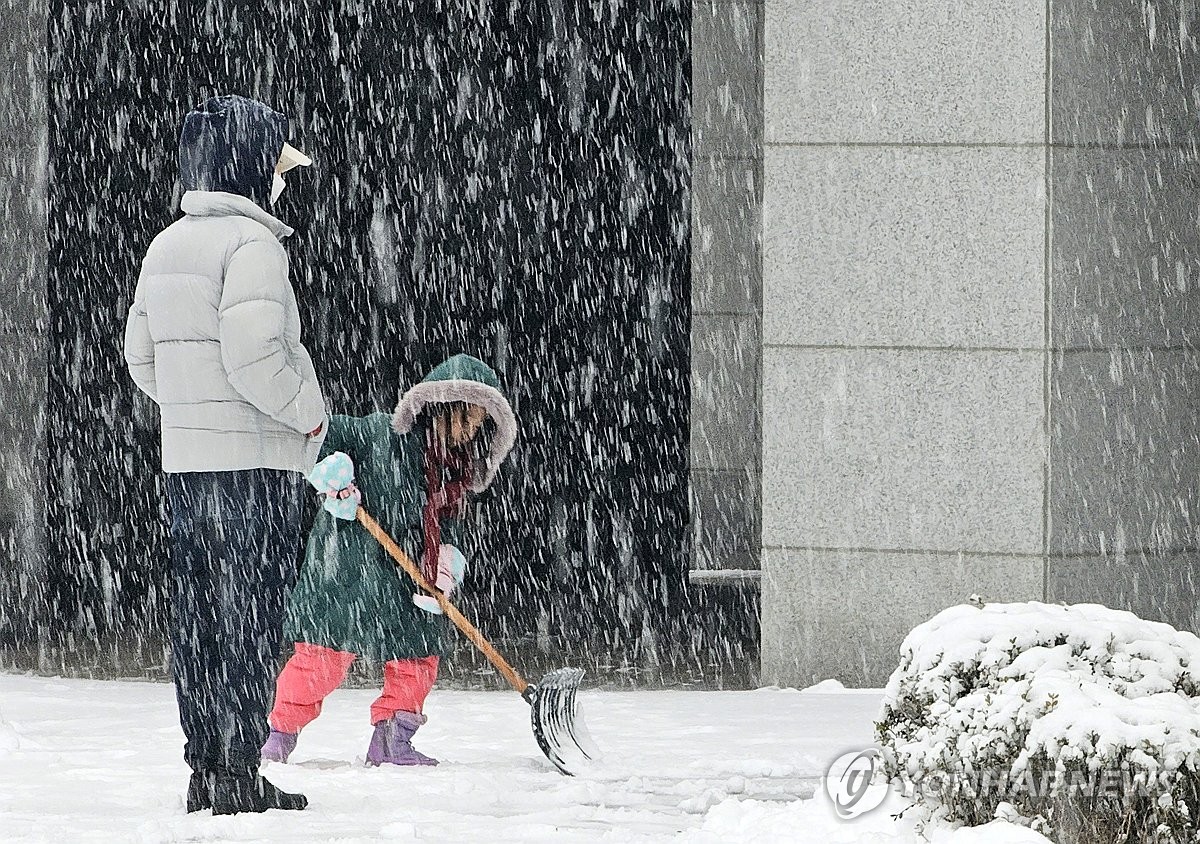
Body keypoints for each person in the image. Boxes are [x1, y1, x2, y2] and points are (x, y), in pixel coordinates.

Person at [123, 94, 326, 815]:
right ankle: (240, 769)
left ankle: (205, 766)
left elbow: (139, 357)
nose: (281, 181)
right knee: (249, 617)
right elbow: (254, 358)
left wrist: (188, 411)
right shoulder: (253, 247)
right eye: (275, 167)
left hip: (188, 472)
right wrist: (311, 415)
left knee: (201, 619)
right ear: (248, 166)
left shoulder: (166, 244)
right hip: (253, 470)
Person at [260, 354, 517, 767]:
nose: (471, 432)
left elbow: (449, 531)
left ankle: (392, 741)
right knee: (319, 661)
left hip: (408, 580)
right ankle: (277, 735)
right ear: (442, 405)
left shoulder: (455, 473)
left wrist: (446, 568)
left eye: (479, 423)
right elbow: (320, 434)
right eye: (467, 417)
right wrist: (332, 475)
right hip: (346, 570)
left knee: (418, 657)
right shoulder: (379, 433)